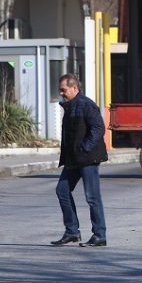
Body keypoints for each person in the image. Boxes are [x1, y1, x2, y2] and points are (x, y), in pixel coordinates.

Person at [51, 73, 109, 248]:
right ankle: (72, 232)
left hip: (87, 158)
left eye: (64, 89)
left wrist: (85, 147)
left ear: (74, 88)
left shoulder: (85, 105)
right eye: (60, 90)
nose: (61, 93)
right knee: (62, 190)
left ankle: (99, 235)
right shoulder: (70, 107)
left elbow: (99, 128)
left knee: (92, 197)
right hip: (73, 159)